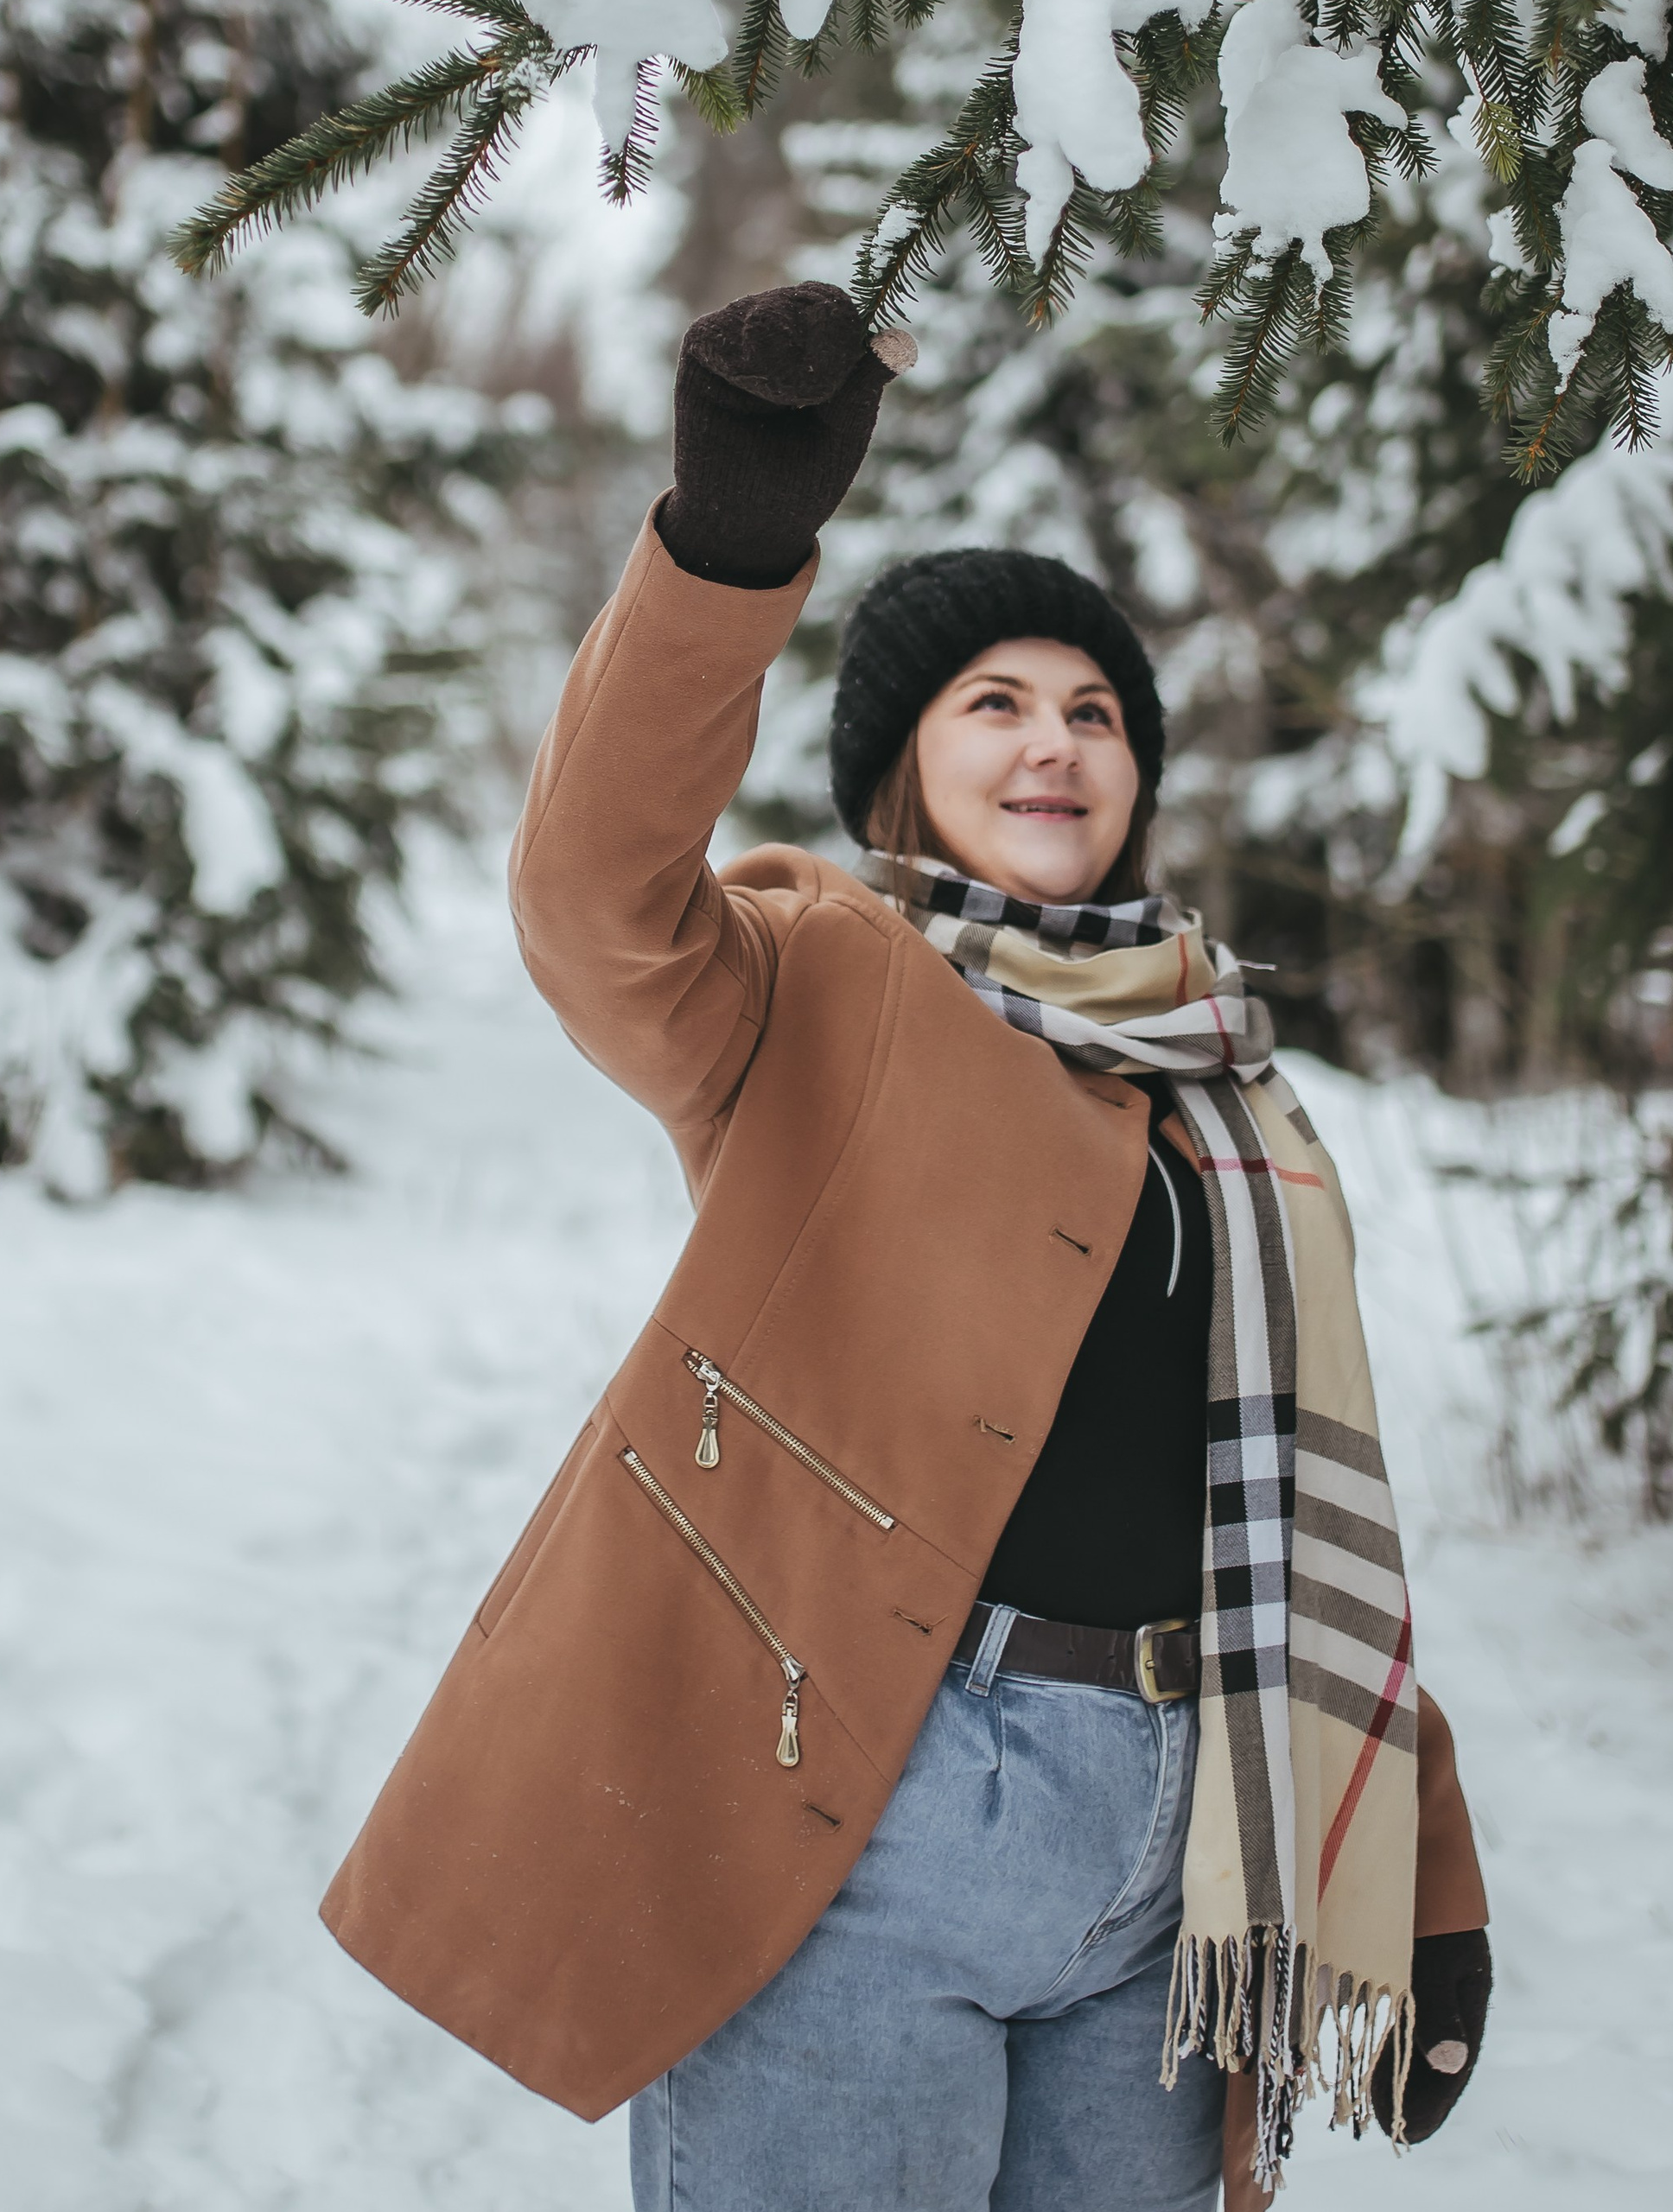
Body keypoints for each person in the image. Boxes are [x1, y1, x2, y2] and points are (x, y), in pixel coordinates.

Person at [321, 285, 1493, 2212]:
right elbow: (592, 900)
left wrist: (1415, 1844)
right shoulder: (815, 989)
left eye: (1095, 711)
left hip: (1168, 1850)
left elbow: (1272, 1487)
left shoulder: (1221, 1089)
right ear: (903, 765)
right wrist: (728, 546)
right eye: (996, 704)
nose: (1057, 745)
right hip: (858, 1814)